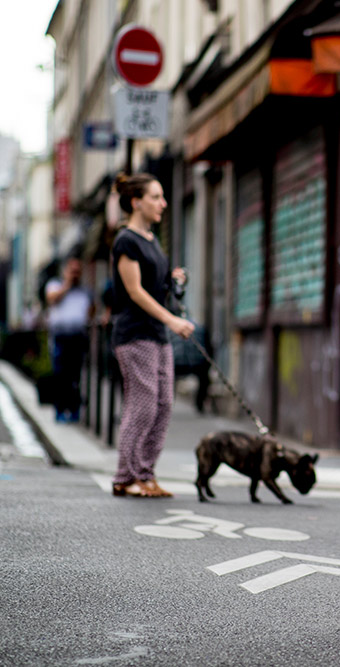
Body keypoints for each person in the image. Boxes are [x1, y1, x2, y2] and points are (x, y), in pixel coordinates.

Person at [109, 172, 195, 499]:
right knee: (143, 406)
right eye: (156, 197)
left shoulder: (151, 239)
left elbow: (153, 287)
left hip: (156, 334)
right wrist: (173, 321)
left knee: (163, 404)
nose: (163, 203)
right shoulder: (126, 241)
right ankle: (125, 476)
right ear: (136, 202)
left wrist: (171, 278)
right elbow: (134, 292)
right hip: (135, 334)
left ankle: (144, 474)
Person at [44, 256, 94, 422]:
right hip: (60, 336)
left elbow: (91, 310)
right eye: (72, 271)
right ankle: (60, 410)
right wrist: (67, 284)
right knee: (60, 375)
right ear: (65, 271)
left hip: (78, 337)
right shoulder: (55, 285)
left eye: (78, 271)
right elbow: (52, 299)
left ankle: (73, 410)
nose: (75, 274)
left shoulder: (84, 290)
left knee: (75, 376)